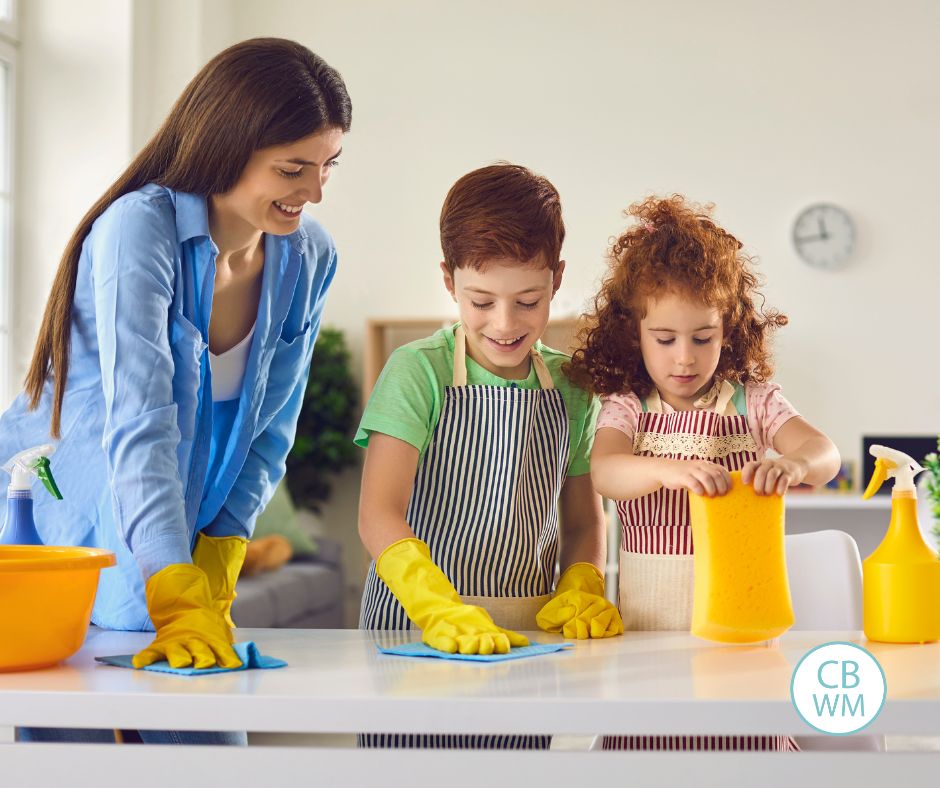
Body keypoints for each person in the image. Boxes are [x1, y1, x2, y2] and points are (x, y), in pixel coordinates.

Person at [1, 38, 351, 745]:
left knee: (210, 752)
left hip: (179, 526)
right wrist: (168, 576)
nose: (314, 192)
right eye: (292, 168)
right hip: (75, 528)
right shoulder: (139, 229)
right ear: (227, 146)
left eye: (327, 167)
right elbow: (141, 421)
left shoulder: (308, 254)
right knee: (78, 755)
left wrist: (220, 550)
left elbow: (272, 426)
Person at [356, 163, 622, 748]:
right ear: (449, 281)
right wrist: (435, 606)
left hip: (527, 642)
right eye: (481, 301)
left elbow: (582, 521)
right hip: (413, 633)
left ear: (557, 279)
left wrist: (582, 583)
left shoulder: (572, 386)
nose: (505, 325)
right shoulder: (416, 371)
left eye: (528, 301)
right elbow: (378, 513)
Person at [567, 194, 840, 751]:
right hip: (649, 639)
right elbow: (607, 473)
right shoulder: (628, 406)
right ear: (634, 333)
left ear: (729, 329)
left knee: (744, 752)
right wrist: (667, 470)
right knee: (654, 759)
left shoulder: (753, 402)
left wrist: (794, 462)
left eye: (703, 338)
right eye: (664, 340)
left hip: (743, 643)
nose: (684, 358)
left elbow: (825, 452)